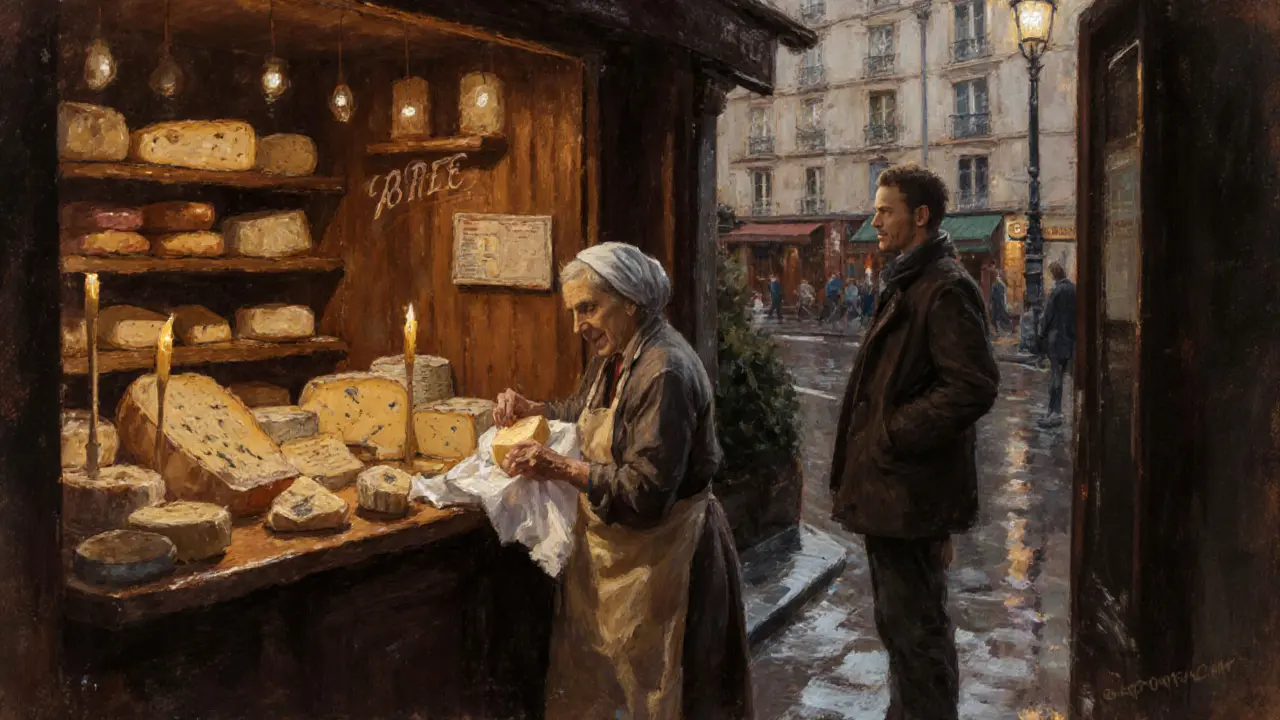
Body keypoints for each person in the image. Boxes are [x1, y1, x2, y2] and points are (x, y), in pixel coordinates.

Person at [492, 242, 752, 719]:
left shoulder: (664, 370)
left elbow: (645, 491)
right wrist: (535, 409)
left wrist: (559, 467)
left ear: (629, 302)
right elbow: (583, 412)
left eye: (588, 308)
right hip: (619, 562)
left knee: (659, 697)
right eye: (574, 312)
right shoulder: (617, 352)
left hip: (667, 560)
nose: (578, 326)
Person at [828, 165, 1000, 720]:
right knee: (902, 631)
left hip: (910, 496)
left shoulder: (943, 286)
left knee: (917, 635)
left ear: (920, 216)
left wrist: (895, 433)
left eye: (885, 210)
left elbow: (973, 385)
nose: (874, 221)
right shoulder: (911, 279)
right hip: (897, 495)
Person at [1037, 261, 1076, 428]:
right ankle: (1054, 412)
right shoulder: (1073, 289)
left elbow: (1048, 316)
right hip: (1069, 339)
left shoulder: (1056, 291)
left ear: (1054, 274)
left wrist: (1041, 333)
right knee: (1060, 374)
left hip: (1056, 338)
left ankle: (1054, 412)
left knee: (1055, 376)